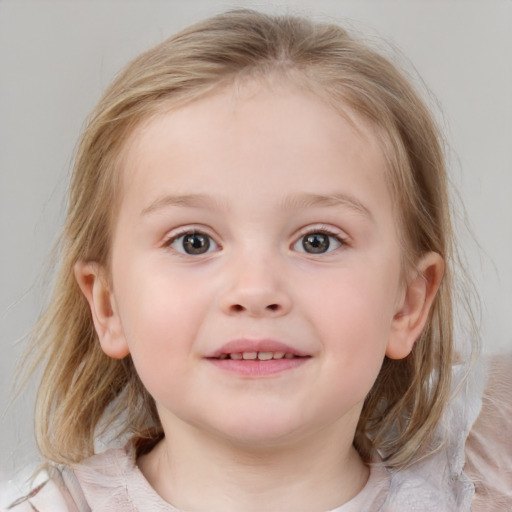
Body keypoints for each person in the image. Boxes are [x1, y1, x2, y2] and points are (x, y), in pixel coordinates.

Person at [1, 9, 510, 512]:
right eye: (193, 242)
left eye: (317, 241)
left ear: (408, 303)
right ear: (108, 305)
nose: (255, 290)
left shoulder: (482, 486)